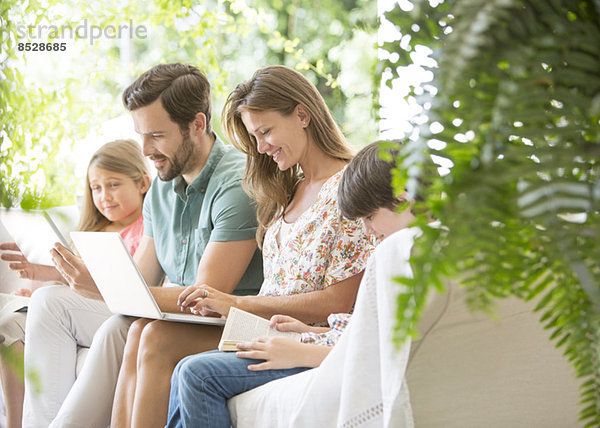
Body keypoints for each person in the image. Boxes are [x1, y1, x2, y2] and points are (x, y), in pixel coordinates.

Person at [111, 65, 373, 427]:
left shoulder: (348, 188)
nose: (261, 148)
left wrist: (237, 304)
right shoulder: (288, 190)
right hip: (262, 327)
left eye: (266, 132)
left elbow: (340, 301)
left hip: (299, 333)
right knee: (142, 331)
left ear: (302, 114)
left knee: (190, 369)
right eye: (254, 137)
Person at [35, 63, 263, 428]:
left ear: (198, 125)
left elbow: (206, 297)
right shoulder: (161, 186)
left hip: (240, 319)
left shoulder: (236, 185)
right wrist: (101, 281)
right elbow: (143, 277)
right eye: (140, 135)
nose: (144, 149)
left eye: (156, 135)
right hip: (190, 318)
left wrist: (105, 288)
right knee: (128, 328)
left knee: (152, 335)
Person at [166, 141, 417, 427]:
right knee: (184, 369)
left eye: (370, 217)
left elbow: (384, 353)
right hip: (321, 338)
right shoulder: (398, 254)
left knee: (196, 374)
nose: (368, 232)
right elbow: (368, 330)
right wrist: (309, 331)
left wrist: (303, 351)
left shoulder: (407, 259)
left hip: (317, 350)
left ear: (403, 199)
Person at [0, 139, 150, 428]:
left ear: (142, 183)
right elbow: (74, 287)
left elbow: (123, 285)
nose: (104, 196)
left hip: (110, 308)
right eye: (96, 188)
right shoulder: (91, 231)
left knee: (45, 307)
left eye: (114, 185)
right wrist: (40, 275)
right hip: (75, 306)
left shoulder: (145, 228)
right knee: (10, 325)